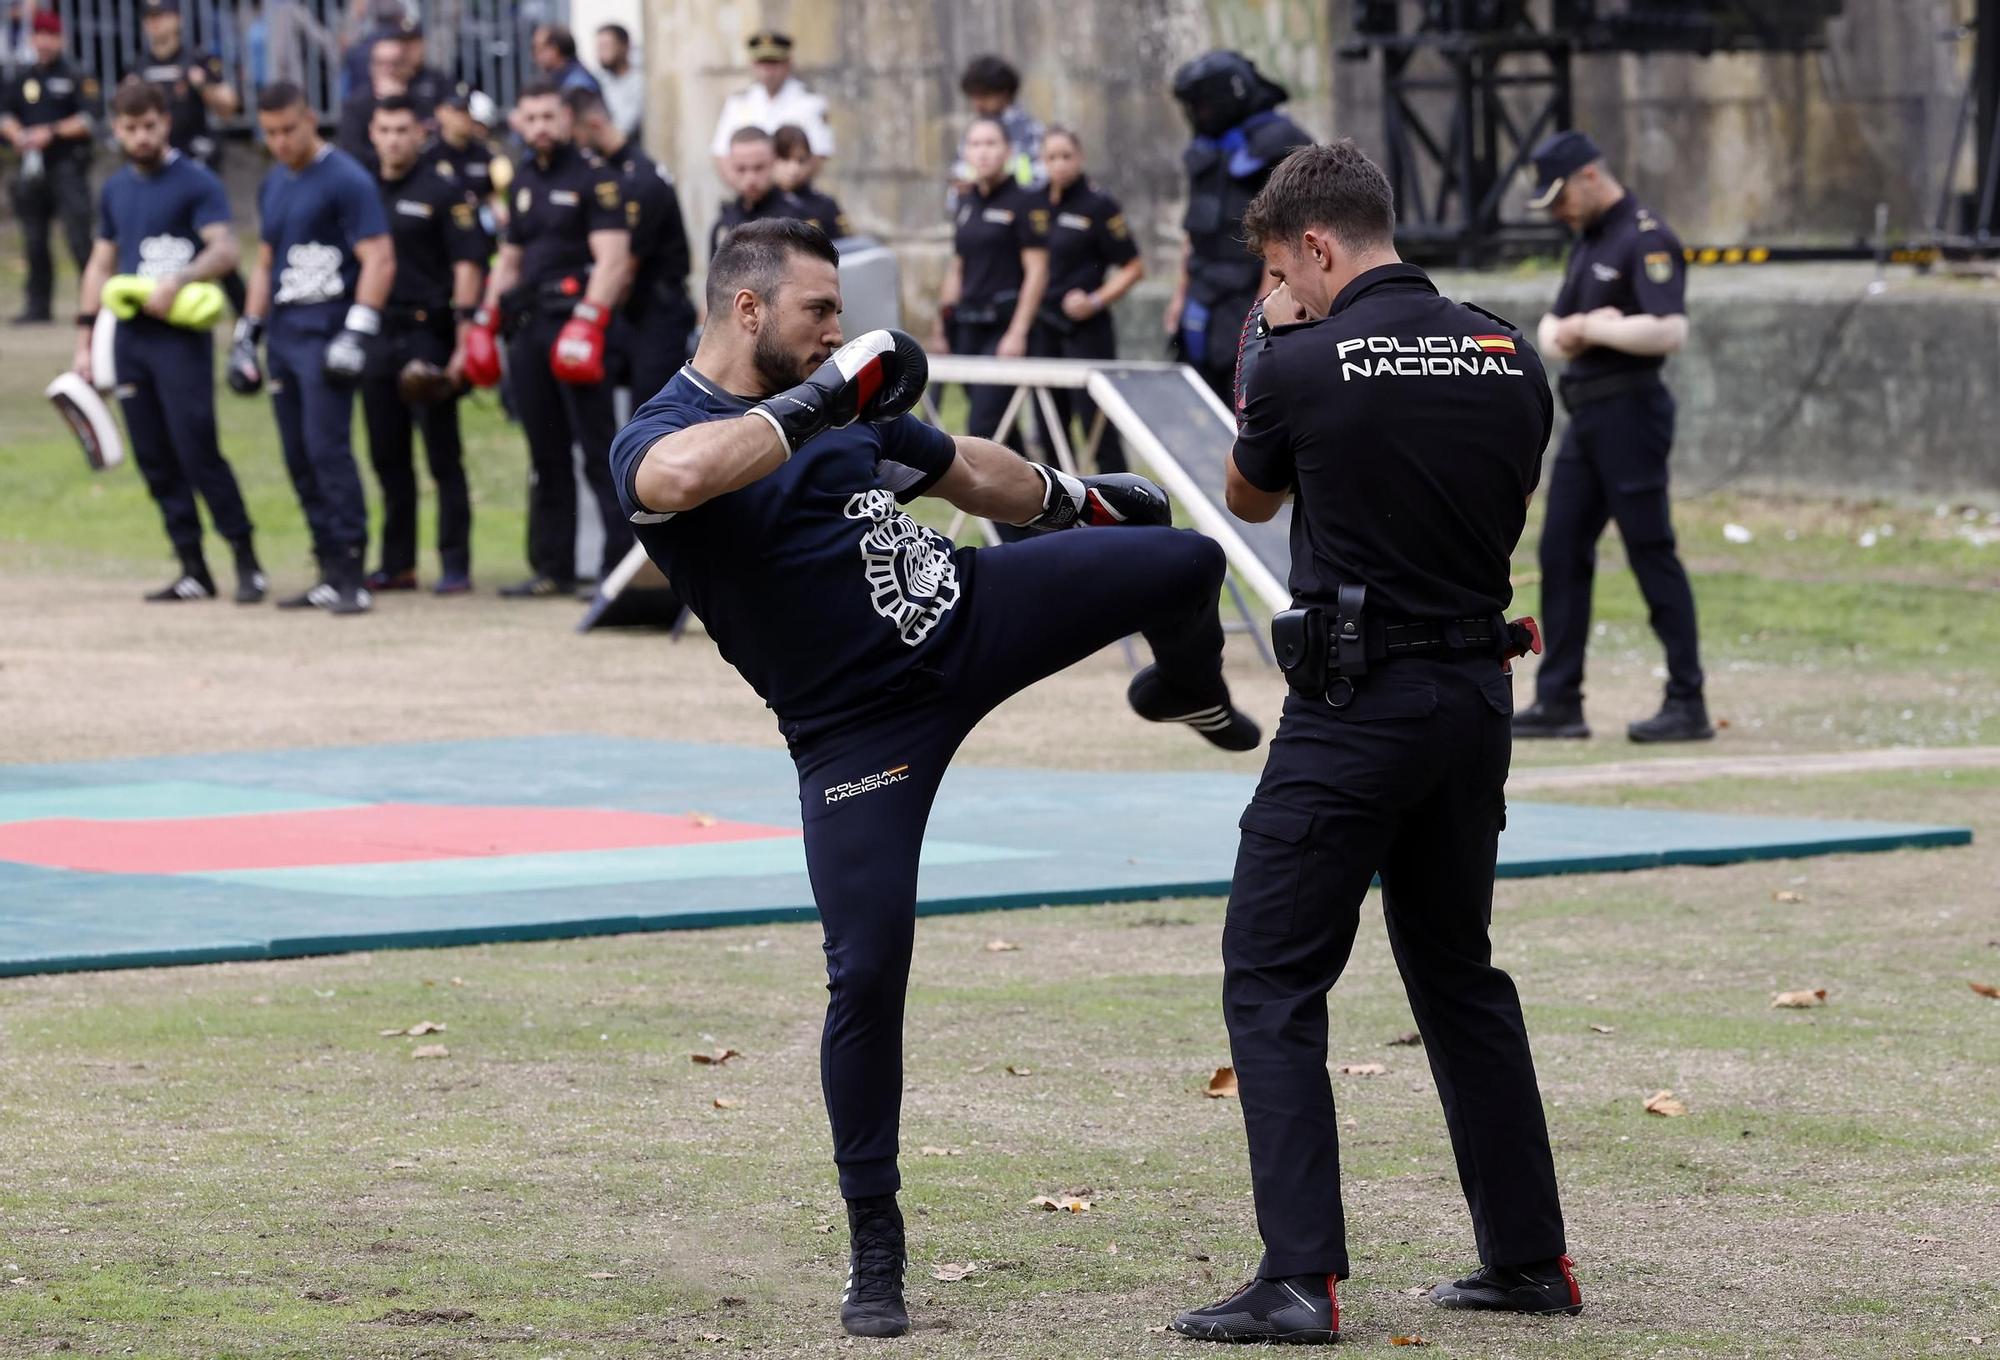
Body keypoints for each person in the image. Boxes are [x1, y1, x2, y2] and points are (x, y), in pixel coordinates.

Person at [607, 218, 1260, 1340]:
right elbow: (679, 478)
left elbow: (966, 470)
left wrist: (1071, 499)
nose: (839, 333)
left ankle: (1177, 689)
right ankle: (875, 1242)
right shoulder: (664, 431)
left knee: (1182, 555)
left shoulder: (843, 398)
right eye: (819, 311)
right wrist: (821, 399)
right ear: (747, 309)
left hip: (964, 616)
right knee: (865, 971)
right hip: (856, 730)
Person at [1169, 142, 1578, 1346]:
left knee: (1271, 969)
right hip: (1473, 698)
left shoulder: (1295, 359)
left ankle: (1298, 1276)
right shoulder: (1508, 352)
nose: (1278, 294)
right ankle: (1526, 1258)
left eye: (1278, 274)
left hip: (1355, 707)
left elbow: (1247, 499)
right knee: (1458, 974)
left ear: (1313, 249)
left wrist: (1259, 350)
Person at [1515, 129, 1711, 744]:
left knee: (1650, 549)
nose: (1557, 212)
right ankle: (1559, 699)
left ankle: (1688, 700)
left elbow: (1668, 331)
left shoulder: (1645, 237)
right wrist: (1581, 326)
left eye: (1560, 198)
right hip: (1588, 416)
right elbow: (1550, 329)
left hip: (1631, 410)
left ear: (1591, 176)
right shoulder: (1590, 240)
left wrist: (1598, 331)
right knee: (1560, 551)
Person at [73, 80, 264, 604]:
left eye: (149, 126)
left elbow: (224, 251)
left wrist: (178, 281)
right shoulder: (115, 190)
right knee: (153, 455)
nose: (141, 138)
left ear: (166, 122)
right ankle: (192, 568)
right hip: (130, 338)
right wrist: (85, 342)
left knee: (197, 448)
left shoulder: (196, 182)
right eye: (130, 129)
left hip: (179, 339)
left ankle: (246, 558)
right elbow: (101, 263)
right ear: (116, 130)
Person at [230, 80, 395, 615]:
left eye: (288, 129)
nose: (279, 141)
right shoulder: (273, 183)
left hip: (326, 334)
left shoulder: (346, 179)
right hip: (284, 335)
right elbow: (263, 262)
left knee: (329, 452)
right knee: (298, 457)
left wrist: (356, 331)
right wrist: (247, 333)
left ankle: (353, 573)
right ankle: (325, 567)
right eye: (270, 132)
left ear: (309, 120)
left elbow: (379, 257)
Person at [468, 80, 630, 598]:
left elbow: (613, 259)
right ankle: (554, 568)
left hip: (576, 326)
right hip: (528, 329)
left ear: (566, 119)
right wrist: (483, 319)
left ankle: (616, 569)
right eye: (530, 117)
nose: (540, 127)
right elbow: (510, 259)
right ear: (518, 121)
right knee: (545, 453)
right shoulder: (519, 180)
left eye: (548, 116)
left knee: (598, 451)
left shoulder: (595, 178)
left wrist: (588, 320)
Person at [361, 94, 485, 594]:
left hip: (428, 332)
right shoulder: (362, 190)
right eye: (384, 129)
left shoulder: (443, 191)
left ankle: (455, 563)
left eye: (402, 129)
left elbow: (468, 266)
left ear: (421, 133)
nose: (393, 139)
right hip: (377, 332)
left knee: (442, 456)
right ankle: (398, 564)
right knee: (387, 456)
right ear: (373, 133)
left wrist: (462, 342)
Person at [1166, 49, 1312, 399]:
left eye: (1201, 104)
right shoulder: (1207, 147)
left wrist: (1267, 301)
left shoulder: (1279, 140)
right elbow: (1196, 225)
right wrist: (1180, 295)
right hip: (1203, 290)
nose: (1196, 114)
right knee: (1198, 385)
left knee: (1249, 390)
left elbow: (1286, 230)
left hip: (1248, 289)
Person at [565, 85, 692, 406]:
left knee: (651, 415)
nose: (576, 146)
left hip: (656, 311)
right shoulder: (610, 173)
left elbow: (624, 266)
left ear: (593, 124)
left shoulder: (640, 179)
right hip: (629, 311)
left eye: (576, 135)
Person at [930, 117, 1047, 454]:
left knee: (983, 423)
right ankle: (1033, 499)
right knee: (1002, 426)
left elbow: (1037, 271)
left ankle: (996, 501)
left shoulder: (1025, 202)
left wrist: (1018, 331)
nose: (983, 153)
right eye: (975, 145)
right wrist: (941, 325)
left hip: (1004, 325)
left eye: (991, 144)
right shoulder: (966, 202)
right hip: (968, 325)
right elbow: (958, 267)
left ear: (1008, 151)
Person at [1031, 125, 1144, 472]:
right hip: (1043, 326)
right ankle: (1056, 510)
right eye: (1051, 157)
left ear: (1079, 158)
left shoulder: (1098, 204)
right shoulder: (1033, 205)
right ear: (1042, 161)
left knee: (1096, 423)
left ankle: (1122, 506)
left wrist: (1094, 300)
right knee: (1049, 423)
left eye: (1066, 156)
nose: (1059, 164)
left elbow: (1134, 267)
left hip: (1086, 329)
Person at [2, 10, 97, 326]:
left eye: (50, 35)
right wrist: (18, 134)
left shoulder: (75, 74)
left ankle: (93, 304)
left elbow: (89, 120)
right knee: (33, 240)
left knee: (79, 238)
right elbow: (5, 113)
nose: (44, 41)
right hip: (31, 170)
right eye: (39, 35)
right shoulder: (21, 76)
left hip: (67, 166)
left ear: (61, 38)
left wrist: (51, 132)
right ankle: (38, 305)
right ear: (32, 39)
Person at [708, 29, 833, 185]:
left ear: (788, 63)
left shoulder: (810, 103)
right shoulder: (738, 102)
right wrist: (748, 184)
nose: (768, 71)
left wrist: (787, 180)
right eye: (762, 63)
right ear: (752, 64)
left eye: (774, 63)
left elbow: (818, 155)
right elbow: (722, 155)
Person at [135, 0, 239, 172]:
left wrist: (204, 87)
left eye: (160, 16)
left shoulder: (197, 59)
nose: (154, 22)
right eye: (149, 17)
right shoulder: (138, 66)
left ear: (177, 19)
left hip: (193, 156)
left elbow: (228, 108)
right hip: (154, 158)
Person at [948, 54, 1042, 197]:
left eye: (983, 96)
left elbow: (1040, 178)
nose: (977, 104)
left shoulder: (1030, 132)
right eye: (973, 97)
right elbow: (959, 172)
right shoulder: (975, 129)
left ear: (1004, 93)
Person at [708, 126, 805, 257]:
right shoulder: (723, 225)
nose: (750, 179)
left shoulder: (797, 219)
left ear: (774, 161)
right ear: (730, 165)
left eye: (759, 168)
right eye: (741, 169)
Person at [772, 123, 848, 239]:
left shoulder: (824, 205)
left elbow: (845, 245)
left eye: (801, 160)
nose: (794, 169)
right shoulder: (757, 205)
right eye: (785, 159)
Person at [593, 23, 643, 144]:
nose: (601, 53)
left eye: (606, 46)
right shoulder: (599, 80)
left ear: (624, 46)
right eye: (599, 47)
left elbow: (626, 126)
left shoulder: (639, 82)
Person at [531, 25, 600, 96]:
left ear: (555, 50)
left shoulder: (578, 85)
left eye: (540, 49)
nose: (535, 55)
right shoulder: (556, 78)